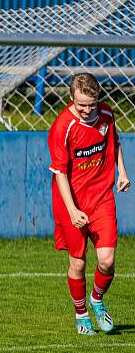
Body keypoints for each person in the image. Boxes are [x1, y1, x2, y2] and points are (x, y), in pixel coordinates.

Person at [47, 73, 129, 335]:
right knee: (78, 263)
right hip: (70, 203)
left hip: (102, 197)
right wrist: (72, 210)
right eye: (81, 104)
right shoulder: (62, 126)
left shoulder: (106, 115)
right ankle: (81, 314)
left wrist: (122, 172)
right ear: (71, 98)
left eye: (91, 104)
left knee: (106, 261)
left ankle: (96, 299)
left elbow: (114, 142)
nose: (86, 110)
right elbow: (59, 172)